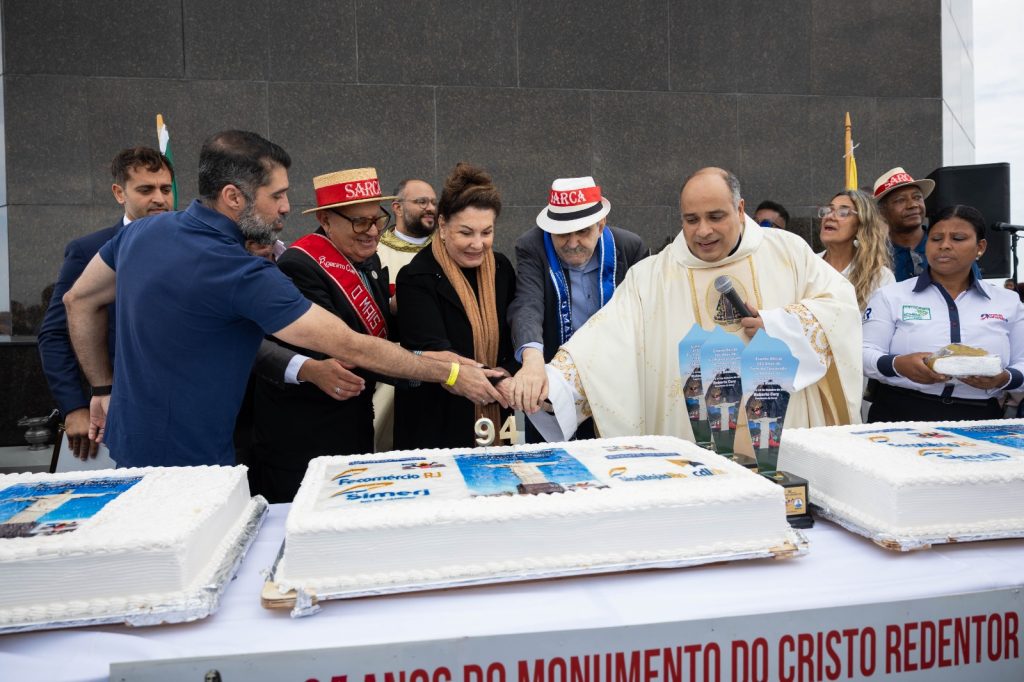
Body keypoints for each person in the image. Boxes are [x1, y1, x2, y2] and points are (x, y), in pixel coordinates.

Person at [63, 131, 505, 468]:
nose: (287, 207)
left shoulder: (142, 232)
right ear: (233, 197)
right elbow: (349, 345)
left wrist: (102, 387)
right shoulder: (241, 272)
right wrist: (448, 372)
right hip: (194, 465)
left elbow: (79, 300)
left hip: (131, 444)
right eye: (276, 196)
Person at [523, 167, 862, 442]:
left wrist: (780, 325)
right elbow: (604, 342)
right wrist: (549, 383)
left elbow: (840, 307)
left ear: (740, 209)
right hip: (692, 445)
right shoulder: (652, 277)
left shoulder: (788, 252)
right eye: (691, 219)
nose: (703, 231)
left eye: (716, 216)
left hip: (780, 435)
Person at [248, 167, 401, 501]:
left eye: (378, 220)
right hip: (304, 436)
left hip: (354, 423)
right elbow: (343, 351)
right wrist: (428, 369)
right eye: (360, 222)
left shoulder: (368, 258)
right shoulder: (299, 266)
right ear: (326, 220)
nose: (372, 231)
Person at [37, 147, 174, 460]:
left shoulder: (194, 245)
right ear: (119, 193)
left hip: (185, 412)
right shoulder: (88, 251)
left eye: (165, 189)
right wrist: (74, 408)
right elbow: (54, 335)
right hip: (118, 415)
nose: (159, 199)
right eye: (146, 190)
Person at [506, 176, 648, 441]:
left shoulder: (630, 247)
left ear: (600, 225)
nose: (572, 243)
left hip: (618, 385)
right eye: (562, 234)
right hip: (556, 387)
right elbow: (527, 303)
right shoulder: (532, 246)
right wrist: (532, 360)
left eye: (582, 232)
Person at [394, 162, 518, 449]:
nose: (478, 244)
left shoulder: (501, 268)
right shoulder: (416, 277)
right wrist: (499, 381)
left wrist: (511, 371)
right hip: (437, 422)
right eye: (466, 232)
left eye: (486, 232)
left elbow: (514, 339)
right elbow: (434, 353)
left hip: (498, 415)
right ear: (442, 225)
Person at [863, 204, 1024, 421]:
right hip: (899, 411)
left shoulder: (1008, 301)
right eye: (936, 238)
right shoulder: (891, 295)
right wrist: (897, 365)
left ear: (980, 247)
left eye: (958, 238)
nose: (945, 245)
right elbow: (863, 353)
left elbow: (1022, 363)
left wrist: (1004, 378)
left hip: (979, 418)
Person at [372, 177, 438, 451]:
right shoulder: (374, 251)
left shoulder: (447, 250)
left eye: (433, 202)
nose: (430, 208)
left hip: (440, 367)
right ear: (397, 207)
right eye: (421, 201)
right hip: (387, 369)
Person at [817, 189, 895, 311]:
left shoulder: (880, 277)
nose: (830, 217)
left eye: (843, 212)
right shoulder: (806, 265)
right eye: (828, 210)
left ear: (861, 224)